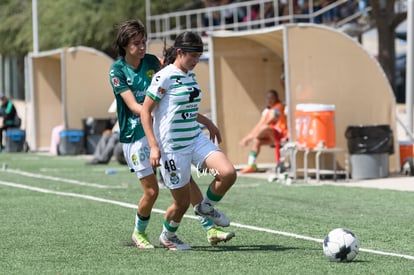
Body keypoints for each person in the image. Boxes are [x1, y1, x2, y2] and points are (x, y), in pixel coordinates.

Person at [109, 20, 233, 250]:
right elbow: (139, 108)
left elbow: (175, 99)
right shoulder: (117, 70)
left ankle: (209, 228)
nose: (142, 47)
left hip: (162, 130)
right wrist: (152, 116)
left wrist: (203, 120)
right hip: (135, 135)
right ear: (125, 45)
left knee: (187, 182)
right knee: (152, 191)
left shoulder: (153, 63)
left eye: (144, 41)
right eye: (136, 43)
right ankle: (139, 232)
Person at [141, 31, 237, 250]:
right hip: (172, 148)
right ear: (180, 52)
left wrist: (208, 122)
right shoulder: (164, 76)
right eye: (193, 56)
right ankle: (168, 236)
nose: (196, 62)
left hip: (194, 138)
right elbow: (146, 112)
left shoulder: (190, 76)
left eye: (199, 57)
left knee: (228, 173)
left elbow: (184, 108)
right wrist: (154, 147)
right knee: (182, 203)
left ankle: (206, 207)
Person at [239, 89, 288, 174]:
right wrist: (247, 137)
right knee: (257, 141)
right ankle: (251, 165)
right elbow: (259, 124)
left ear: (276, 98)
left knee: (264, 128)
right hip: (272, 136)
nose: (269, 100)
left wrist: (249, 138)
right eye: (267, 98)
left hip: (281, 135)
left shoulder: (278, 106)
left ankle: (253, 139)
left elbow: (269, 121)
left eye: (271, 98)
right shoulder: (267, 111)